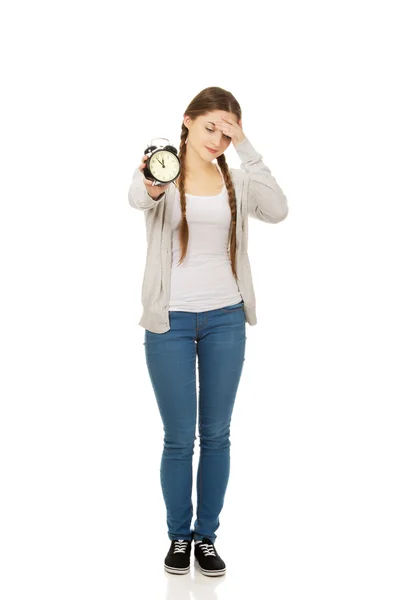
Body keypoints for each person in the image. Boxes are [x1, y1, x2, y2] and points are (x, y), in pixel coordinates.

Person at [128, 86, 288, 576]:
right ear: (188, 121)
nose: (218, 138)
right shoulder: (164, 171)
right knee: (179, 438)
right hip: (169, 323)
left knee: (216, 435)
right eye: (210, 127)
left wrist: (248, 146)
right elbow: (138, 197)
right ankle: (179, 536)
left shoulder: (237, 179)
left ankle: (207, 537)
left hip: (225, 319)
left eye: (228, 130)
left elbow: (278, 209)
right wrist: (152, 181)